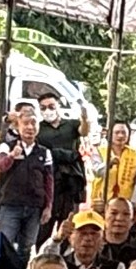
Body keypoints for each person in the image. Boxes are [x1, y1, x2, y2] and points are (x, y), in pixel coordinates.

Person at [0, 103, 55, 266]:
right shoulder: (7, 146)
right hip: (11, 204)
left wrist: (48, 206)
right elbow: (0, 166)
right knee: (4, 244)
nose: (30, 127)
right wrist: (12, 155)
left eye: (33, 123)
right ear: (18, 126)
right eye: (25, 123)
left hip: (34, 206)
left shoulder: (44, 152)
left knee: (26, 247)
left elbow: (48, 180)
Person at [34, 91, 90, 241]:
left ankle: (65, 252)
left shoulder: (71, 124)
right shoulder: (39, 128)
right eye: (43, 107)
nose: (48, 110)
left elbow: (84, 131)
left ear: (59, 105)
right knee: (46, 221)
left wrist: (84, 117)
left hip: (71, 177)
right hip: (49, 177)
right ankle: (43, 253)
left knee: (69, 219)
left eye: (51, 106)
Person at [97, 122, 136, 206]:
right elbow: (97, 172)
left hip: (126, 202)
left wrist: (133, 202)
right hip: (101, 201)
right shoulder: (99, 151)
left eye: (123, 132)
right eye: (117, 132)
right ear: (110, 134)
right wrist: (108, 164)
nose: (120, 135)